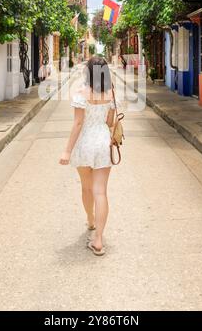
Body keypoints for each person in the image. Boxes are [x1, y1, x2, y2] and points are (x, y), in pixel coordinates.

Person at [59, 57, 117, 256]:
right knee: (101, 191)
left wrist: (67, 151)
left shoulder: (82, 92)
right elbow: (110, 122)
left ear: (88, 73)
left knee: (86, 188)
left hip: (84, 143)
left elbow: (77, 124)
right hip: (102, 142)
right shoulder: (111, 93)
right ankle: (99, 240)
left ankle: (91, 221)